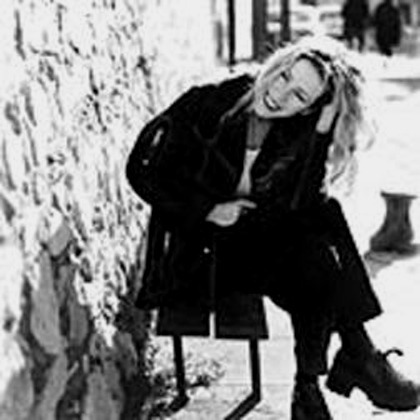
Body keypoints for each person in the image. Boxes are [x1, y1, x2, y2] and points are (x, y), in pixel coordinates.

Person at [126, 36, 420, 419]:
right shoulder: (207, 103)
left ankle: (313, 384)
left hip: (254, 252)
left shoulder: (296, 129)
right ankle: (351, 360)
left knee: (319, 240)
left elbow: (303, 204)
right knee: (319, 253)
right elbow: (142, 170)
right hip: (200, 256)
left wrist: (321, 133)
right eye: (284, 77)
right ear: (277, 64)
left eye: (299, 96)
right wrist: (209, 210)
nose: (280, 95)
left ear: (308, 108)